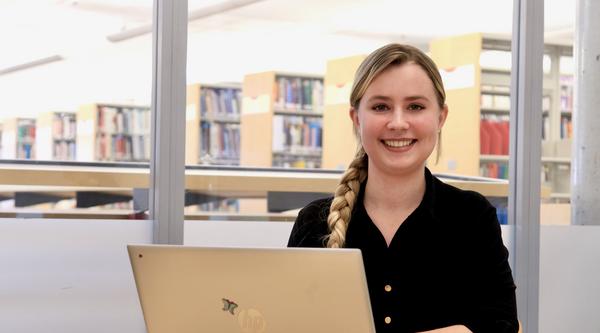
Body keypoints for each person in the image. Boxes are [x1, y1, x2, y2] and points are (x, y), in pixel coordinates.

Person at [287, 43, 518, 333]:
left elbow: (502, 324)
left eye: (416, 107)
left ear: (440, 117)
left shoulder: (471, 216)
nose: (398, 123)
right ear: (357, 119)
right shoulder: (314, 221)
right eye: (381, 107)